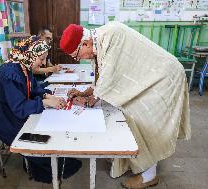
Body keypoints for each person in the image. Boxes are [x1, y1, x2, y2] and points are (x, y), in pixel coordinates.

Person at [60, 22, 191, 189]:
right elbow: (105, 75)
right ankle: (136, 162)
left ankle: (149, 176)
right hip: (151, 78)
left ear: (85, 43)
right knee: (131, 119)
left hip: (164, 79)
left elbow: (110, 78)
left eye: (76, 55)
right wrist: (86, 92)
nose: (78, 59)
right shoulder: (100, 41)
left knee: (146, 123)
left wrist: (89, 100)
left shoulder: (112, 35)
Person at [0, 38, 82, 183]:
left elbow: (32, 89)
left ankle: (50, 161)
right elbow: (20, 107)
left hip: (14, 112)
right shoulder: (10, 73)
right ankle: (43, 167)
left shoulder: (24, 65)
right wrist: (45, 102)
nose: (44, 64)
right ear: (30, 54)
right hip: (5, 118)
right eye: (42, 58)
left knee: (46, 129)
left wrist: (46, 95)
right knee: (38, 139)